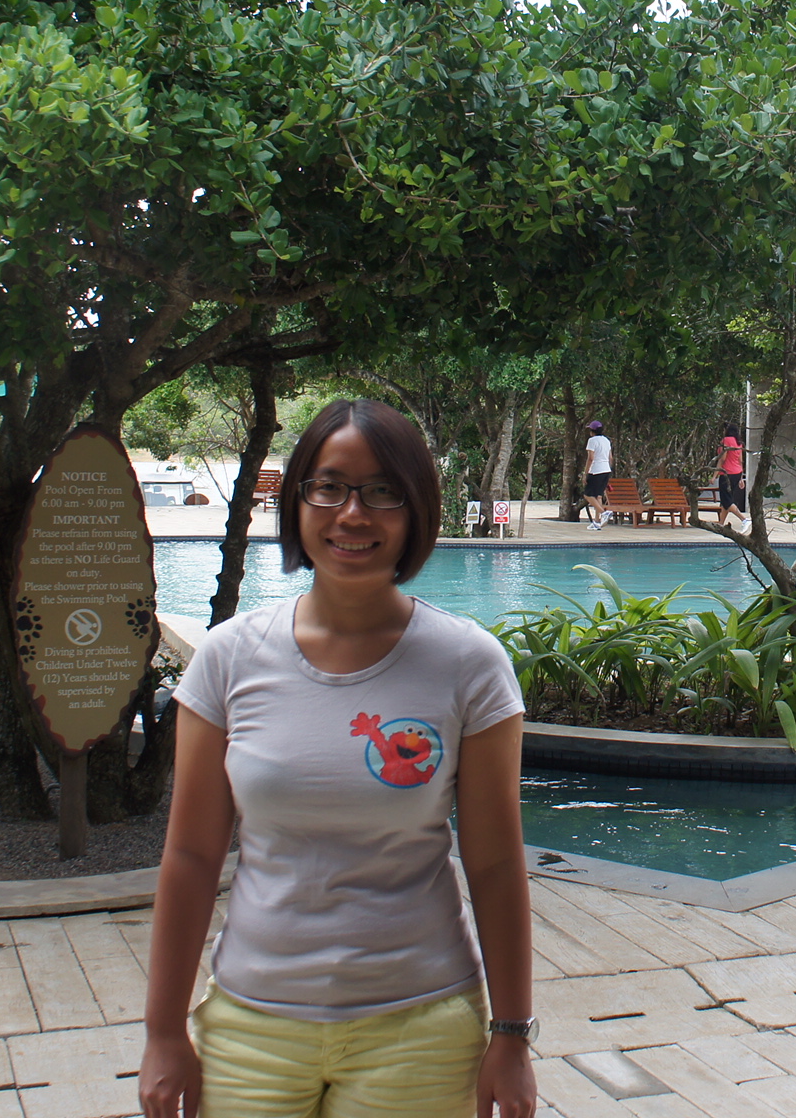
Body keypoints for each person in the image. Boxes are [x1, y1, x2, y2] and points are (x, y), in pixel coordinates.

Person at [139, 398, 537, 1118]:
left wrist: (511, 1036)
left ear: (416, 509)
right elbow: (192, 856)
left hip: (420, 1028)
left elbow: (495, 863)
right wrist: (164, 1033)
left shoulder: (468, 665)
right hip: (250, 1027)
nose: (352, 514)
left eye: (382, 491)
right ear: (297, 500)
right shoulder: (229, 658)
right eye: (329, 487)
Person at [713, 423, 749, 532]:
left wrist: (714, 476)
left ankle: (744, 519)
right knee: (727, 499)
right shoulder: (739, 443)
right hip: (737, 473)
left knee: (727, 500)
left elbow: (722, 459)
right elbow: (740, 460)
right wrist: (741, 478)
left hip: (726, 473)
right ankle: (721, 524)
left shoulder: (726, 440)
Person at [581, 419, 613, 530]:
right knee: (598, 495)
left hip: (596, 470)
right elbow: (610, 458)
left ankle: (603, 513)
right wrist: (608, 469)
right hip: (606, 469)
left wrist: (585, 473)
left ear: (592, 431)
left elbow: (590, 458)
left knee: (588, 495)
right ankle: (597, 521)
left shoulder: (592, 441)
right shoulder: (606, 440)